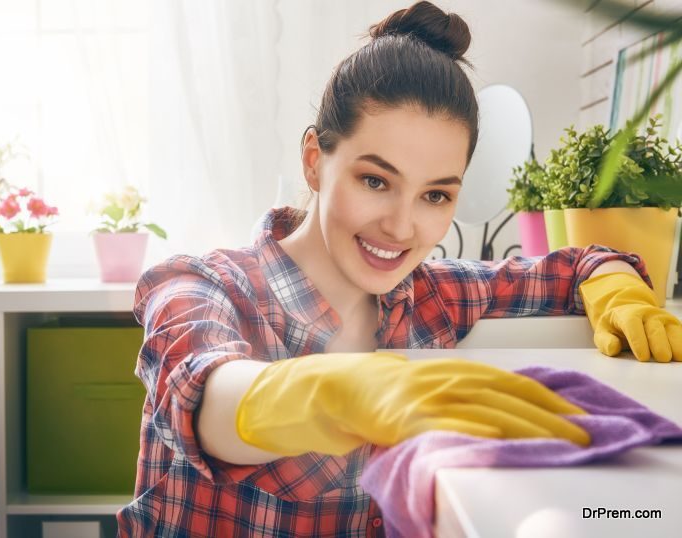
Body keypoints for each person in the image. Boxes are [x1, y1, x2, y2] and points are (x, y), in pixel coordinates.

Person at [117, 2, 682, 536]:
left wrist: (616, 286)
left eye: (435, 196)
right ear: (315, 160)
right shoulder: (202, 285)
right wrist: (334, 392)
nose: (402, 228)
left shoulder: (433, 297)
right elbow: (206, 397)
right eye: (375, 180)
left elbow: (580, 264)